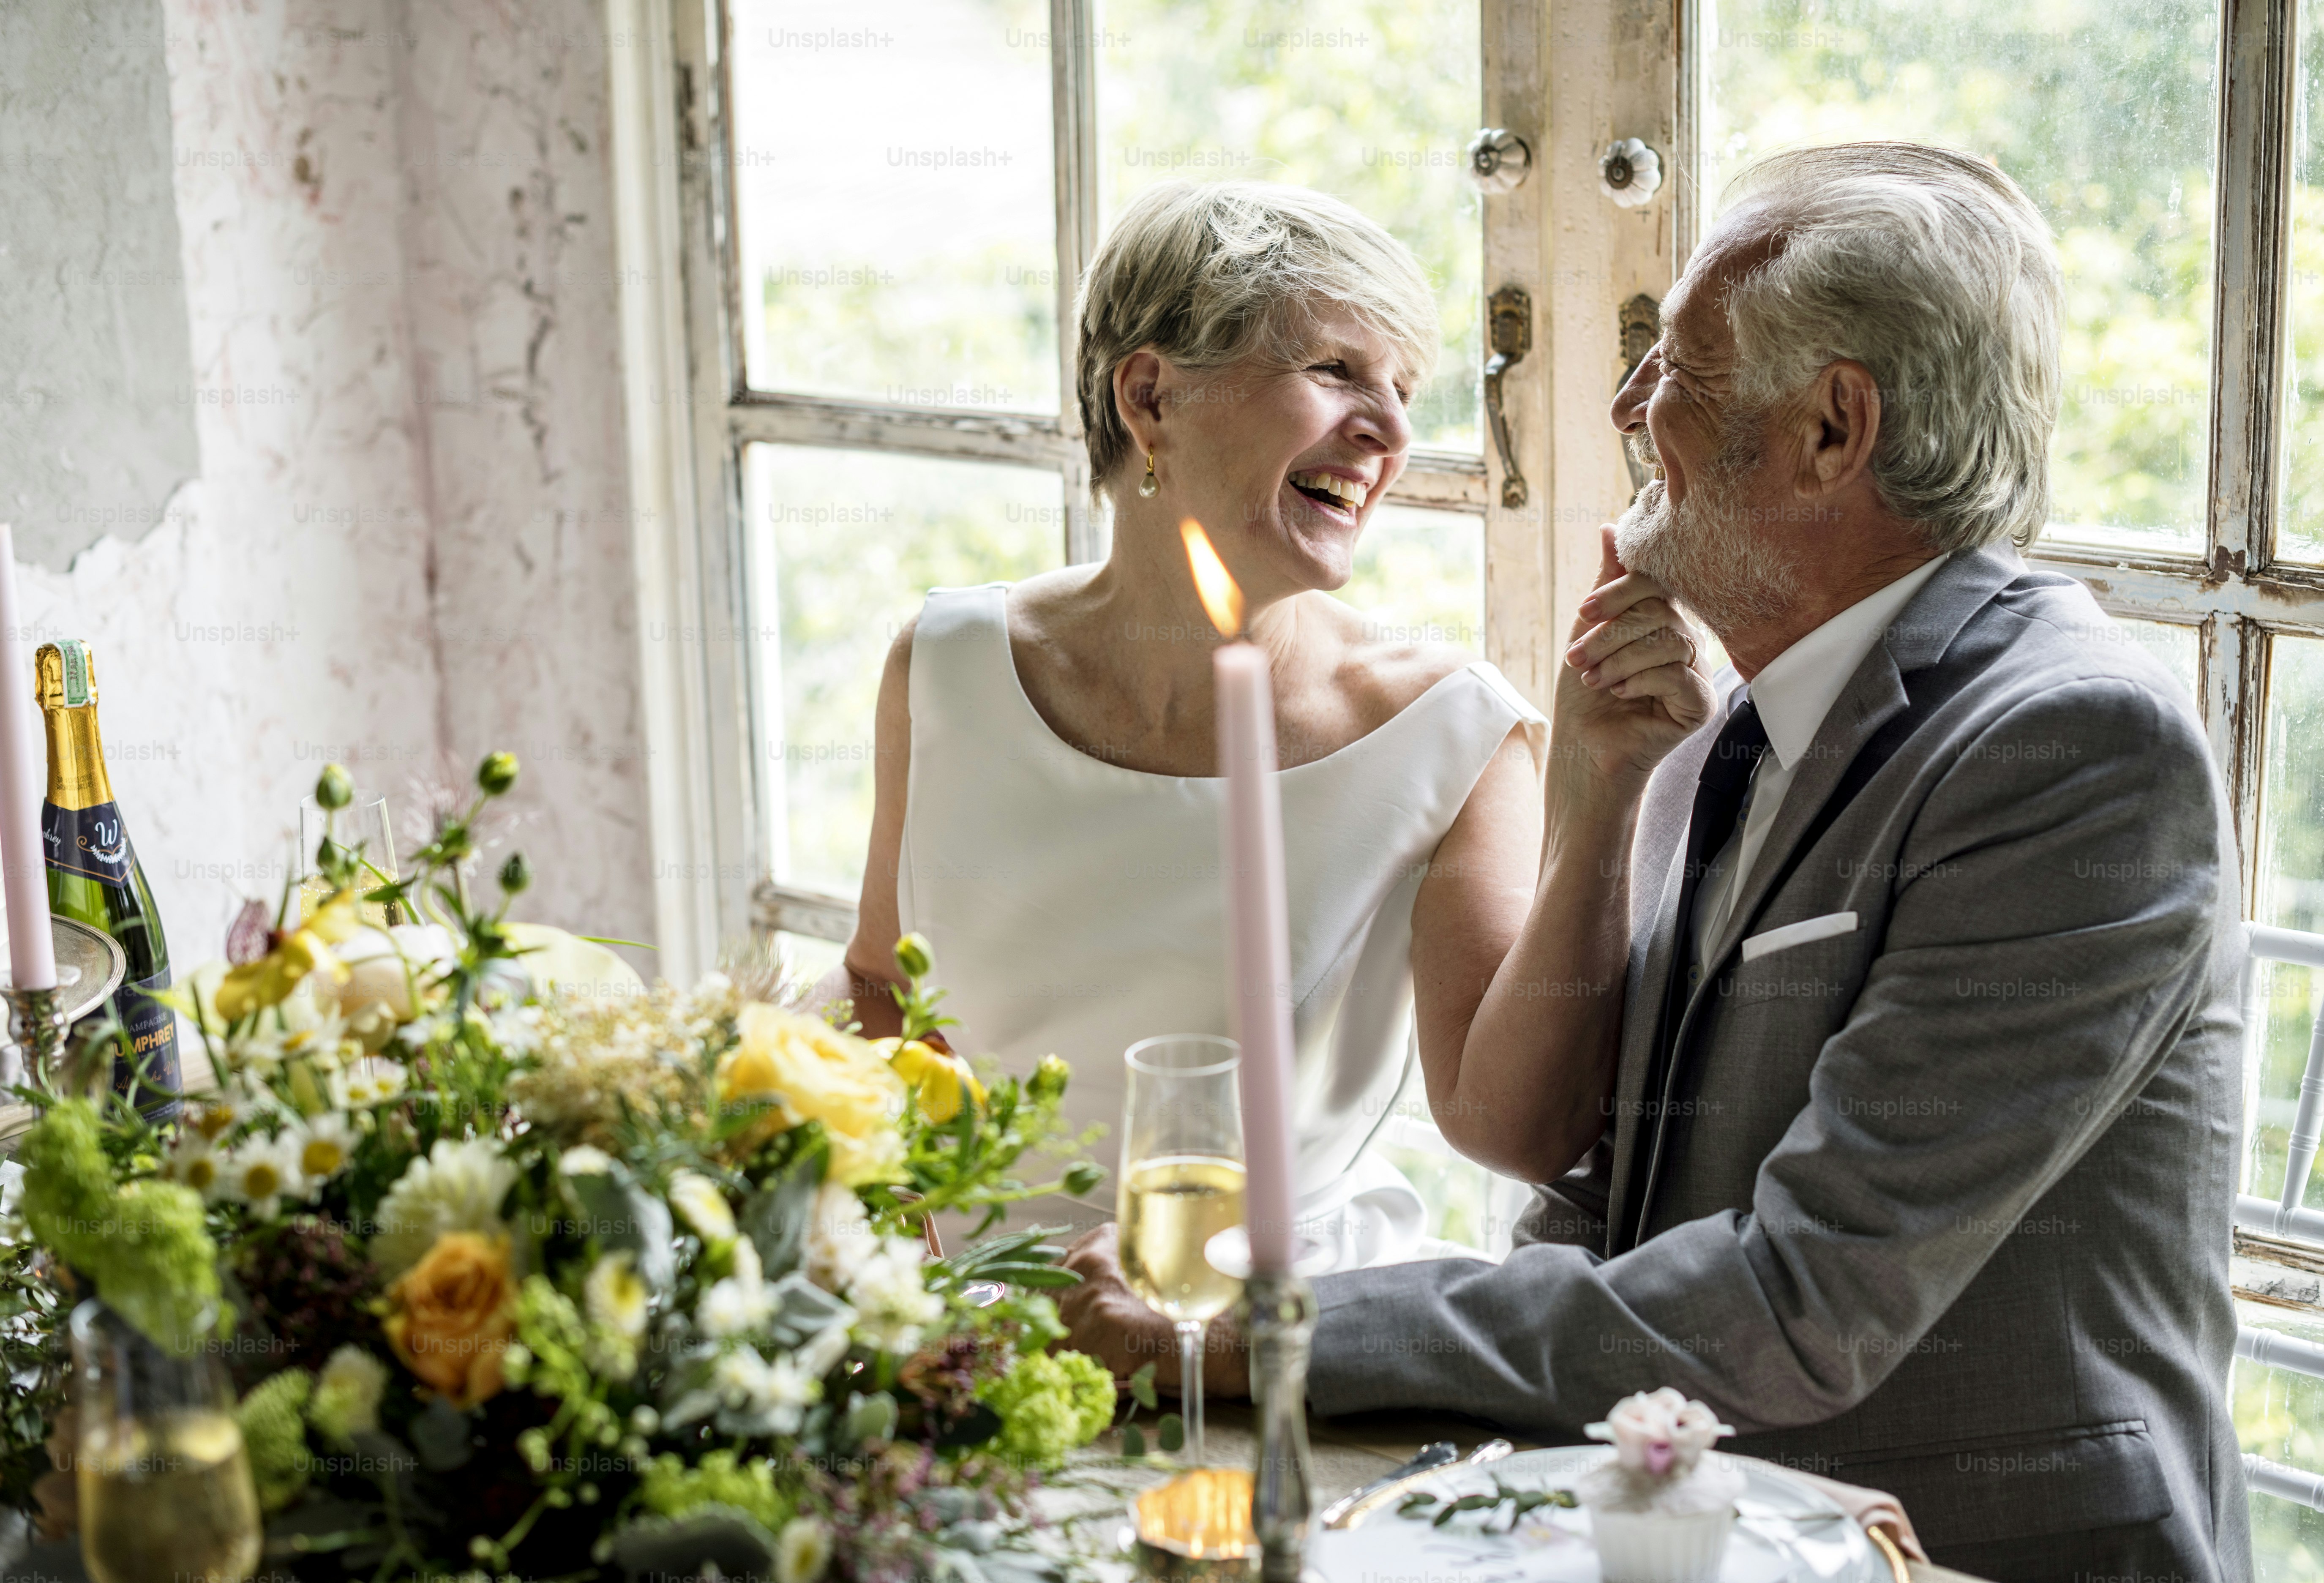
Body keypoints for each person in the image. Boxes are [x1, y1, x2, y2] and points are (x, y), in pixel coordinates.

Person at [1059, 142, 2249, 1580]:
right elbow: (1600, 1193)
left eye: (1671, 364)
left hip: (1963, 1552)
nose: (1625, 410)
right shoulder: (1716, 728)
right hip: (1675, 1527)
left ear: (1830, 428)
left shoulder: (2068, 750)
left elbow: (1804, 1295)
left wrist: (1273, 1328)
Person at [832, 180, 1560, 1270]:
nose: (1394, 432)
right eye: (1335, 371)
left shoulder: (1450, 732)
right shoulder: (945, 664)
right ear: (1150, 398)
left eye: (1404, 389)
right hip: (973, 1325)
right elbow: (883, 990)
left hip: (1279, 1340)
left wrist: (1609, 790)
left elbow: (1508, 1124)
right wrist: (890, 1247)